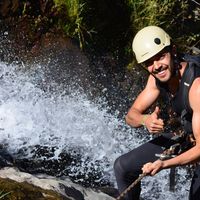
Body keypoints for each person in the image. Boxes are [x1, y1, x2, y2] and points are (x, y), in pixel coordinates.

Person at [114, 25, 200, 200]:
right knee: (123, 167)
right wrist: (145, 119)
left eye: (160, 57)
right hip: (189, 135)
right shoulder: (156, 79)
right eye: (149, 63)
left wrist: (164, 164)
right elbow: (131, 116)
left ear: (173, 51)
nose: (156, 66)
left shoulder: (197, 86)